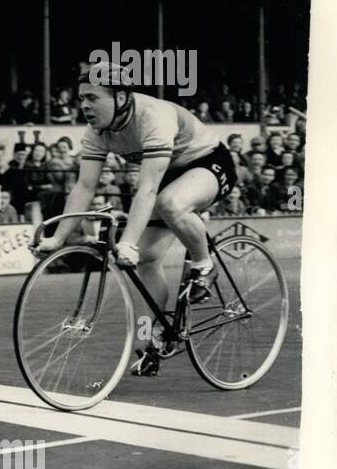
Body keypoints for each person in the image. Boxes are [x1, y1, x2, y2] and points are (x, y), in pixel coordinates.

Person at [36, 61, 235, 377]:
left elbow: (148, 189)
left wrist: (127, 242)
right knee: (148, 259)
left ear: (120, 96)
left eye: (92, 97)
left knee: (170, 203)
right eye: (81, 98)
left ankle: (204, 264)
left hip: (208, 163)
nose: (84, 105)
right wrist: (57, 238)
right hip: (167, 175)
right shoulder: (98, 131)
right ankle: (157, 340)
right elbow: (84, 187)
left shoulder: (152, 116)